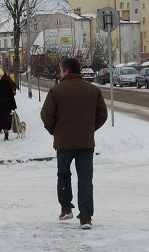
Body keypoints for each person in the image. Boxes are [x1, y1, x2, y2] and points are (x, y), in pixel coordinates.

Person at [40, 58, 108, 230]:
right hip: (86, 142)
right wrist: (89, 129)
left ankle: (66, 208)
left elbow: (46, 116)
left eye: (60, 70)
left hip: (63, 143)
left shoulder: (56, 91)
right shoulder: (93, 90)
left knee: (63, 174)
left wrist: (55, 131)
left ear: (66, 71)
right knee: (85, 179)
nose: (59, 73)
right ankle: (85, 217)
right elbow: (102, 115)